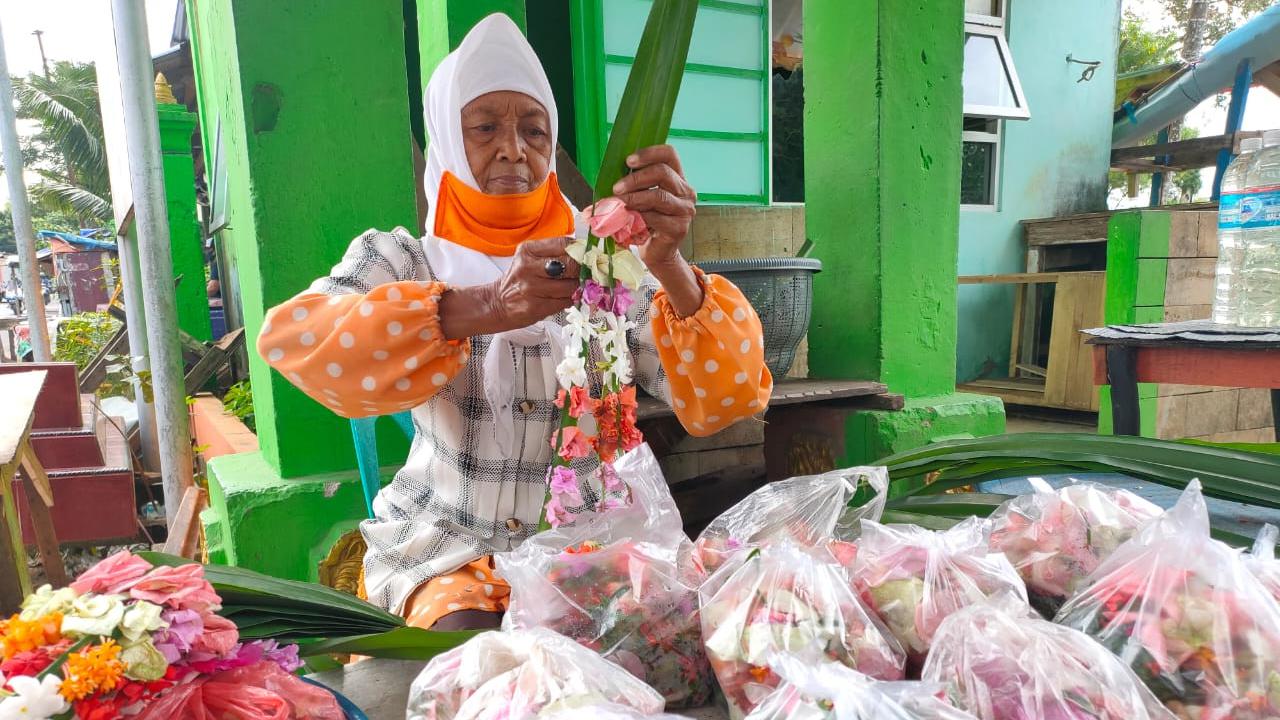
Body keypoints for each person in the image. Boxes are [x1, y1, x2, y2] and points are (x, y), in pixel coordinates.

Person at [257, 14, 771, 631]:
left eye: (534, 129)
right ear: (449, 134)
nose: (513, 148)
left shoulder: (603, 259)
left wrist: (668, 262)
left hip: (597, 546)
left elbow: (724, 398)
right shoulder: (402, 259)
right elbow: (300, 340)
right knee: (474, 661)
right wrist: (487, 306)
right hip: (452, 551)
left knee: (666, 656)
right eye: (484, 127)